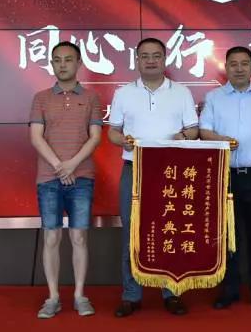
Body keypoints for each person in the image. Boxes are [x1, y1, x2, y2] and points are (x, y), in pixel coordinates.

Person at [108, 37, 198, 317]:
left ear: (164, 59)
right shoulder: (124, 93)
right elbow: (112, 132)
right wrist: (122, 140)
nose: (150, 60)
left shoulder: (181, 92)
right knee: (132, 232)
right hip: (134, 169)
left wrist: (182, 136)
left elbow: (193, 129)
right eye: (144, 56)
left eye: (156, 55)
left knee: (169, 230)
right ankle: (131, 294)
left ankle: (171, 293)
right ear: (137, 60)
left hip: (170, 171)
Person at [199, 46, 251, 311]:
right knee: (227, 236)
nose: (239, 68)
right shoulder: (214, 97)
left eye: (244, 63)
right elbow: (203, 132)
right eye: (233, 64)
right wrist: (221, 140)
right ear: (226, 67)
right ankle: (230, 290)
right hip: (225, 176)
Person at [29, 41, 103, 319]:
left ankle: (80, 295)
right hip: (48, 177)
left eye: (68, 59)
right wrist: (59, 166)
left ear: (79, 63)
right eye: (57, 60)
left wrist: (72, 165)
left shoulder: (92, 98)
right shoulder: (41, 98)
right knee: (51, 237)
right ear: (52, 64)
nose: (62, 65)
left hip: (81, 176)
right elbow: (36, 137)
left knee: (79, 236)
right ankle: (53, 297)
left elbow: (95, 137)